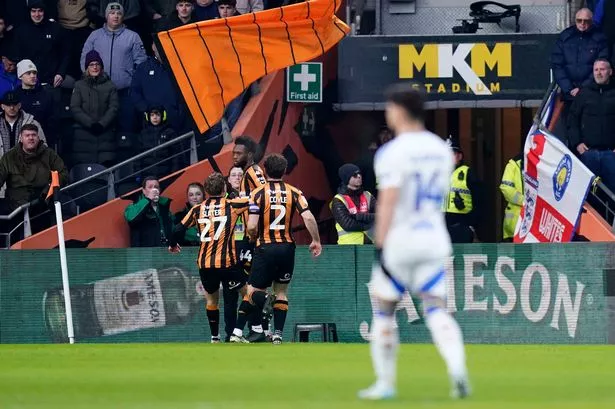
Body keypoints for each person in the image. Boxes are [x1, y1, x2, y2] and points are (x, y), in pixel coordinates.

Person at [358, 83, 469, 400]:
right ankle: (457, 368)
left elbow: (389, 201)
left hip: (401, 241)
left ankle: (385, 383)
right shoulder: (440, 150)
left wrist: (379, 246)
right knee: (437, 309)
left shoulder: (392, 152)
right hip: (434, 239)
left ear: (399, 110)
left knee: (384, 311)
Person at [230, 153, 322, 344]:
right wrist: (316, 240)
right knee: (281, 292)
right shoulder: (294, 192)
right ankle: (278, 334)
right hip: (287, 248)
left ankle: (237, 332)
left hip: (265, 247)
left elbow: (253, 225)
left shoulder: (257, 193)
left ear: (265, 170)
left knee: (252, 291)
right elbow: (308, 217)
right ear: (284, 170)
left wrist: (253, 236)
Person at [169, 172, 250, 343]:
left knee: (212, 300)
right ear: (224, 188)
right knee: (248, 294)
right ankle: (237, 332)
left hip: (205, 263)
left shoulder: (197, 209)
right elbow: (255, 202)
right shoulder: (232, 204)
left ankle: (214, 337)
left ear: (206, 190)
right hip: (227, 262)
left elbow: (177, 229)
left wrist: (173, 244)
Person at [231, 135, 269, 342]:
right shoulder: (247, 173)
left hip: (252, 237)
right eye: (233, 153)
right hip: (245, 236)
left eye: (239, 153)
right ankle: (258, 328)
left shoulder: (254, 172)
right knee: (244, 284)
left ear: (250, 155)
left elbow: (264, 193)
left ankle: (259, 324)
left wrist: (239, 202)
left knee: (247, 284)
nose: (234, 156)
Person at [568, 58, 615, 193]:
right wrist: (577, 143)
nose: (599, 73)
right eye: (596, 70)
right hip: (589, 154)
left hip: (611, 155)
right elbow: (572, 120)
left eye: (602, 69)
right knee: (588, 195)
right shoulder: (584, 94)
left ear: (610, 72)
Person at [443, 138, 482, 243]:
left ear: (459, 156)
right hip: (442, 225)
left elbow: (480, 202)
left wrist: (470, 225)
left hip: (461, 225)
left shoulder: (468, 173)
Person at [330, 163, 376, 244]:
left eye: (359, 174)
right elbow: (348, 224)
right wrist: (369, 226)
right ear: (346, 179)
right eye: (354, 175)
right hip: (348, 249)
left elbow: (381, 216)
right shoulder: (338, 200)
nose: (359, 176)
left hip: (371, 245)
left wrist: (358, 217)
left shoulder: (368, 195)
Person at [124, 176, 174, 247]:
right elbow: (130, 218)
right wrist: (148, 199)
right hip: (143, 254)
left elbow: (172, 229)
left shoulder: (164, 206)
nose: (154, 189)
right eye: (150, 187)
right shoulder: (135, 205)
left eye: (156, 187)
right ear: (143, 190)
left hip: (163, 253)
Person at [499, 153, 523, 242]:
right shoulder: (513, 164)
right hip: (514, 222)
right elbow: (506, 188)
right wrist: (524, 201)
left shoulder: (541, 163)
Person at [173, 182, 204, 246]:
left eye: (198, 194)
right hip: (186, 253)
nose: (194, 197)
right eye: (191, 195)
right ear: (188, 197)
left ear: (203, 195)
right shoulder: (179, 217)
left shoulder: (212, 214)